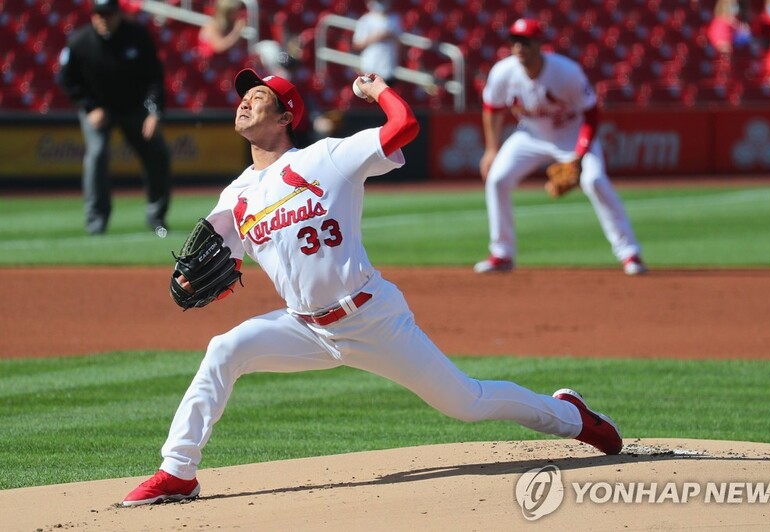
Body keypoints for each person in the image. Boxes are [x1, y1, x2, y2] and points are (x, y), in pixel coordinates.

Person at [120, 68, 623, 506]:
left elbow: (404, 126)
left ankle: (571, 416)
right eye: (243, 95)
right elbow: (214, 253)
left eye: (259, 96)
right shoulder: (237, 194)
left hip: (371, 317)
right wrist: (191, 276)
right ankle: (177, 472)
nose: (245, 100)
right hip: (303, 327)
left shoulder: (328, 157)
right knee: (224, 349)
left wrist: (379, 90)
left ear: (285, 115)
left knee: (466, 402)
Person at [474, 18, 646, 276]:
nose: (519, 46)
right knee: (497, 179)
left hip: (572, 135)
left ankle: (629, 253)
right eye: (515, 41)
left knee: (595, 180)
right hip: (530, 135)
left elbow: (591, 115)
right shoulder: (503, 72)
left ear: (539, 44)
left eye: (525, 41)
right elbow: (492, 110)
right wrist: (491, 149)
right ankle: (502, 254)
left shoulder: (566, 72)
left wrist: (578, 156)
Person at [58, 0, 171, 236]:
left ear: (118, 14)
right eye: (98, 14)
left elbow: (154, 77)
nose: (103, 19)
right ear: (92, 16)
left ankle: (156, 218)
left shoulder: (137, 37)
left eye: (108, 14)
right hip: (98, 109)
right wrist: (88, 107)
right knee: (96, 154)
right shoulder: (79, 43)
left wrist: (153, 112)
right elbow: (67, 80)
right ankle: (96, 222)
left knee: (157, 152)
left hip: (133, 108)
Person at [352, 0, 403, 84]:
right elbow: (357, 44)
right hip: (369, 68)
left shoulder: (395, 19)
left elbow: (400, 43)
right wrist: (376, 37)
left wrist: (390, 36)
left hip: (388, 70)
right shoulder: (365, 20)